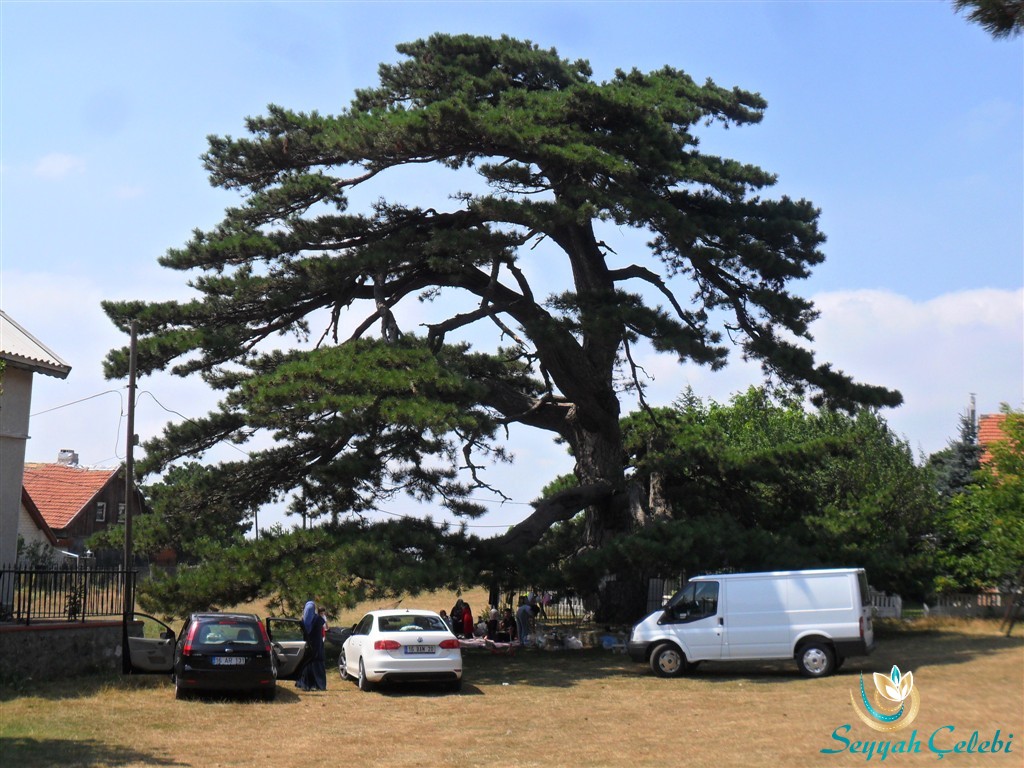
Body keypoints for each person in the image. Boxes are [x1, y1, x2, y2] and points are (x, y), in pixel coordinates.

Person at [296, 600, 327, 691]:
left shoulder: (303, 620)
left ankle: (305, 684)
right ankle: (319, 685)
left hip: (307, 647)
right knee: (317, 665)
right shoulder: (318, 619)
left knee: (306, 664)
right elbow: (321, 631)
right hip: (317, 646)